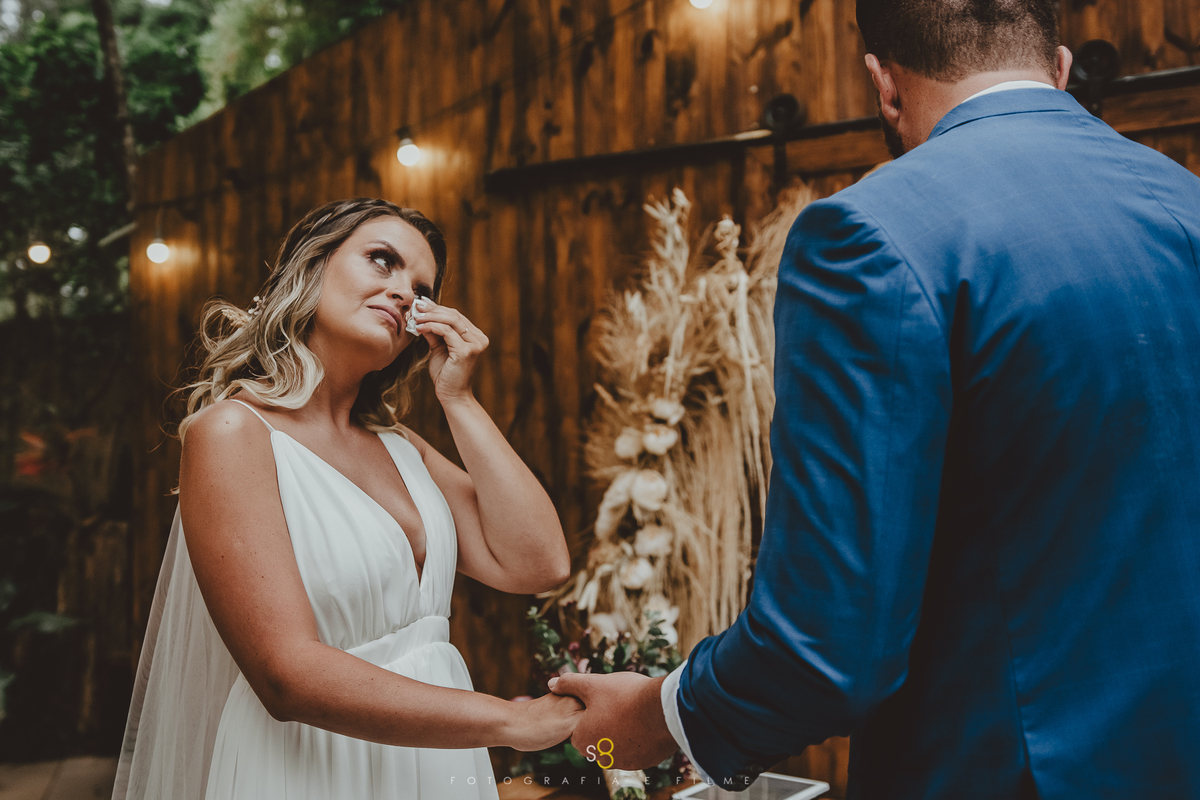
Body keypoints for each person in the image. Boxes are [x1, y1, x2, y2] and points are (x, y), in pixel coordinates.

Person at [550, 2, 1200, 798]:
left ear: (884, 83)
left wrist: (659, 715)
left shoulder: (871, 235)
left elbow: (828, 646)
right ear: (1059, 66)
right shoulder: (1186, 202)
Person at [112, 198, 583, 800]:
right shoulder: (233, 432)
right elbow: (286, 675)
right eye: (381, 260)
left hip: (432, 766)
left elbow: (539, 564)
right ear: (311, 269)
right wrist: (513, 721)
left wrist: (458, 399)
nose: (403, 293)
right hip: (308, 765)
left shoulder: (401, 447)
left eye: (421, 289)